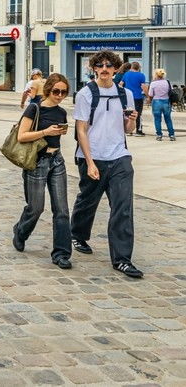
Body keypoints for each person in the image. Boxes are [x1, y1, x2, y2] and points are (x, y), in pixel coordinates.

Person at [70, 49, 143, 279]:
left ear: (115, 69)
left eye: (108, 66)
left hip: (119, 156)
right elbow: (81, 129)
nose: (104, 69)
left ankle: (122, 259)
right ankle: (77, 235)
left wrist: (132, 121)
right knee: (88, 200)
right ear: (94, 68)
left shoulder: (126, 95)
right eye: (100, 65)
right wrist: (90, 162)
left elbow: (127, 130)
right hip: (92, 156)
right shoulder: (85, 94)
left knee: (123, 207)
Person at [12, 73, 73, 269]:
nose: (60, 95)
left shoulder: (62, 112)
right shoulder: (34, 108)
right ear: (48, 90)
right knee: (36, 207)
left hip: (57, 161)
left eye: (64, 92)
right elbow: (22, 136)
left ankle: (61, 253)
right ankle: (21, 231)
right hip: (37, 162)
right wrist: (46, 132)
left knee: (62, 210)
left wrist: (60, 131)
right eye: (56, 91)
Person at [148, 68, 176, 141]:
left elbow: (150, 94)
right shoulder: (167, 82)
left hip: (156, 102)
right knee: (168, 119)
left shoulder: (153, 83)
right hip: (166, 102)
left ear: (155, 75)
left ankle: (159, 135)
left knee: (157, 119)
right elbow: (171, 91)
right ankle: (172, 135)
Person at [121, 62, 147, 136]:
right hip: (138, 97)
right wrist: (148, 96)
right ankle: (138, 131)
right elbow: (143, 86)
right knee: (138, 114)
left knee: (128, 113)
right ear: (138, 67)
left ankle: (129, 130)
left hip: (127, 97)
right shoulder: (141, 75)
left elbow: (120, 84)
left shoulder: (126, 74)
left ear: (131, 67)